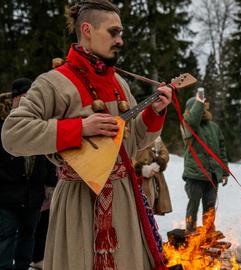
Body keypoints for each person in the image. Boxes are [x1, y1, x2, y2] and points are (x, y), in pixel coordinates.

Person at [1, 1, 172, 270]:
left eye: (121, 33)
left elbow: (134, 143)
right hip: (80, 201)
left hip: (124, 200)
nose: (121, 40)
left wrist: (155, 112)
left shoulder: (119, 83)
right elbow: (13, 134)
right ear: (87, 29)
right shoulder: (54, 82)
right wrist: (80, 129)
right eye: (113, 32)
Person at [0, 78, 51, 270]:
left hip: (33, 195)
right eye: (22, 97)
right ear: (13, 99)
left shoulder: (39, 124)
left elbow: (47, 158)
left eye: (29, 97)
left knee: (28, 236)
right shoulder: (5, 125)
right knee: (6, 237)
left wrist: (50, 183)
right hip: (7, 195)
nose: (26, 101)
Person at [180, 92, 229, 234]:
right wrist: (199, 102)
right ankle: (190, 231)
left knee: (210, 206)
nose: (201, 110)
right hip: (194, 175)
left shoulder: (214, 127)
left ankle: (208, 232)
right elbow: (193, 119)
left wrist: (224, 171)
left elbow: (221, 150)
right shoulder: (187, 126)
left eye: (203, 107)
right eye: (198, 107)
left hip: (212, 175)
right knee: (193, 206)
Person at [135, 136, 172, 215]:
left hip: (152, 180)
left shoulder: (155, 135)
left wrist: (158, 163)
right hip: (135, 179)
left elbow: (164, 153)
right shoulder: (131, 133)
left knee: (149, 209)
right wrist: (139, 168)